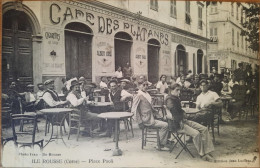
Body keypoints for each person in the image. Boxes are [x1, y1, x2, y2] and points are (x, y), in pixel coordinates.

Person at [165, 83, 215, 162]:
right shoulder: (169, 99)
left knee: (204, 129)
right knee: (196, 133)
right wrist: (179, 120)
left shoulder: (175, 98)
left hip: (183, 120)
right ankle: (202, 154)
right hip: (176, 124)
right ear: (171, 90)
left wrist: (183, 111)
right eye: (177, 90)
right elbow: (172, 110)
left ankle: (208, 151)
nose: (179, 92)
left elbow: (178, 110)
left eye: (179, 90)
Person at [131, 81, 169, 149]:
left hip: (151, 117)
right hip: (146, 120)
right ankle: (160, 145)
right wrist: (140, 122)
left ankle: (165, 140)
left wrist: (159, 115)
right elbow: (134, 110)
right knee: (165, 125)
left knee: (167, 120)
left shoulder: (146, 94)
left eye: (147, 85)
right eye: (143, 85)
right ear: (139, 86)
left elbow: (150, 107)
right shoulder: (138, 95)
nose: (146, 86)